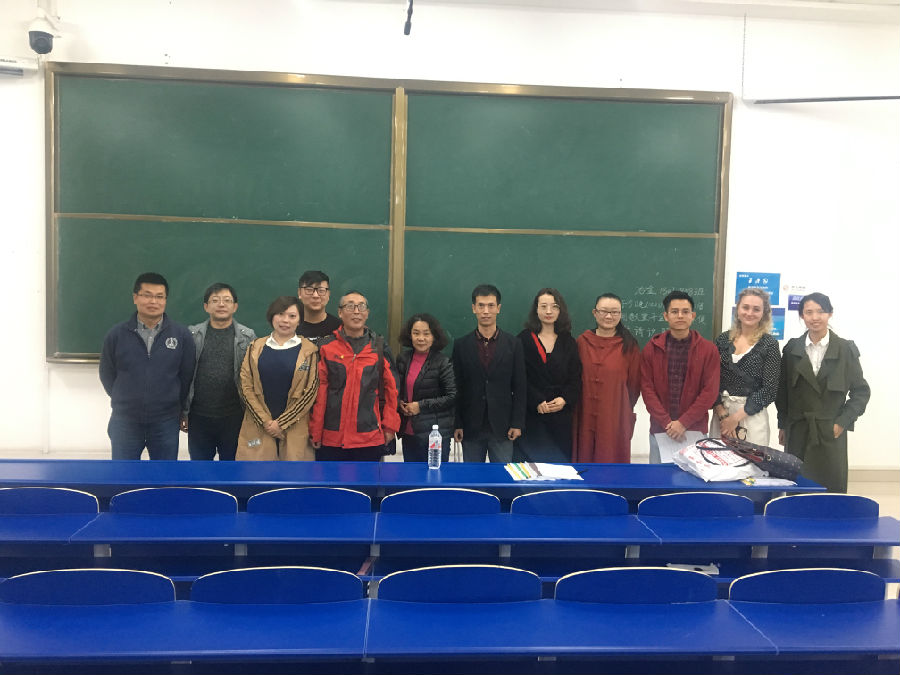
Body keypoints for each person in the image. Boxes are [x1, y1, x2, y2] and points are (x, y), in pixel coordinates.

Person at [776, 292, 870, 493]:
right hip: (798, 431)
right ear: (802, 316)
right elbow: (782, 392)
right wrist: (782, 424)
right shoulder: (792, 349)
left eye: (820, 311)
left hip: (830, 432)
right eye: (808, 312)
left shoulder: (845, 349)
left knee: (830, 492)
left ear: (830, 314)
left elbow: (861, 392)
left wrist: (842, 422)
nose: (815, 317)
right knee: (798, 492)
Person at [99, 272, 195, 460]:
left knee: (163, 474)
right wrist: (125, 398)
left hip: (165, 421)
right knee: (123, 472)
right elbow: (107, 374)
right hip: (125, 420)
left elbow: (186, 376)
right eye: (147, 295)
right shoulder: (117, 334)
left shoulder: (181, 335)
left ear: (165, 300)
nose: (153, 301)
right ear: (135, 298)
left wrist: (172, 402)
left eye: (159, 296)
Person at [309, 291, 401, 461]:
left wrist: (390, 426)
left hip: (369, 437)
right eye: (350, 306)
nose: (356, 311)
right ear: (340, 312)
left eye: (361, 307)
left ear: (367, 313)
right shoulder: (326, 347)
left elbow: (392, 391)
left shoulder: (379, 347)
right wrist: (316, 431)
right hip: (332, 438)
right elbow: (320, 394)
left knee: (368, 479)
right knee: (330, 479)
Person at [640, 290, 720, 463]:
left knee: (693, 477)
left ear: (693, 316)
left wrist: (683, 423)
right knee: (659, 478)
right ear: (666, 316)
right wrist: (667, 423)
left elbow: (710, 392)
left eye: (685, 311)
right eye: (674, 311)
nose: (680, 316)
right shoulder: (651, 349)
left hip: (694, 430)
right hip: (661, 430)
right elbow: (647, 390)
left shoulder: (708, 350)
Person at [236, 296, 318, 461]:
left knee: (294, 474)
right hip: (258, 427)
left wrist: (281, 424)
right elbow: (245, 387)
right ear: (272, 316)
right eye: (280, 314)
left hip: (294, 428)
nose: (285, 320)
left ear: (299, 320)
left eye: (292, 316)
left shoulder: (309, 351)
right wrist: (266, 422)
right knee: (256, 474)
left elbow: (310, 393)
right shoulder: (255, 347)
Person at [452, 284, 527, 463]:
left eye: (491, 305)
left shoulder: (514, 344)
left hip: (503, 426)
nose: (486, 311)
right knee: (472, 477)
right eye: (481, 305)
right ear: (474, 308)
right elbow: (456, 387)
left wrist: (517, 423)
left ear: (498, 308)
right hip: (471, 426)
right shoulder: (461, 345)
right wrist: (457, 423)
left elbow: (520, 386)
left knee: (502, 475)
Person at [183, 283, 257, 461]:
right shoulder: (192, 335)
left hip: (234, 416)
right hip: (198, 416)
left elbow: (254, 379)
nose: (221, 304)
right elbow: (183, 375)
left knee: (232, 468)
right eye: (215, 300)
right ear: (206, 306)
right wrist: (183, 411)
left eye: (227, 300)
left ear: (235, 306)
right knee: (200, 469)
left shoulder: (248, 337)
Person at [573, 293, 641, 463]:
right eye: (604, 311)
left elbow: (634, 386)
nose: (609, 316)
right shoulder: (582, 342)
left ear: (620, 314)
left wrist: (620, 407)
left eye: (615, 312)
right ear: (595, 313)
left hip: (614, 416)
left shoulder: (629, 346)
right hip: (584, 413)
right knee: (584, 461)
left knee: (611, 461)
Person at [515, 288, 581, 463]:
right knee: (531, 470)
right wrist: (536, 401)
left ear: (560, 310)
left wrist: (564, 399)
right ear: (536, 310)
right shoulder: (523, 340)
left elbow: (575, 378)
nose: (549, 311)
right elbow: (519, 378)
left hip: (561, 417)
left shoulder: (568, 341)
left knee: (559, 469)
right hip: (532, 416)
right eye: (543, 306)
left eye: (554, 306)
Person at [711, 288, 781, 446]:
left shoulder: (769, 345)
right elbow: (711, 379)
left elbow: (769, 390)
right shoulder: (722, 340)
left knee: (750, 461)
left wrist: (735, 418)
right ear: (738, 309)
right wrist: (722, 413)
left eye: (756, 309)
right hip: (722, 415)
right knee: (720, 459)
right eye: (745, 307)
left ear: (764, 313)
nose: (750, 313)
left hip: (752, 416)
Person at [396, 313, 457, 463]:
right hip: (409, 432)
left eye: (426, 334)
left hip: (435, 434)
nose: (421, 338)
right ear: (410, 335)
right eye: (416, 333)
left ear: (434, 336)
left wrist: (420, 406)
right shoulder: (403, 359)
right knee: (411, 475)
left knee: (435, 474)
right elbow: (396, 389)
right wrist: (399, 402)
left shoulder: (443, 362)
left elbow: (452, 396)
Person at [296, 270, 342, 345]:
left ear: (328, 295)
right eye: (309, 290)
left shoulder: (340, 328)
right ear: (299, 293)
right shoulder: (289, 326)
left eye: (321, 290)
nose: (315, 295)